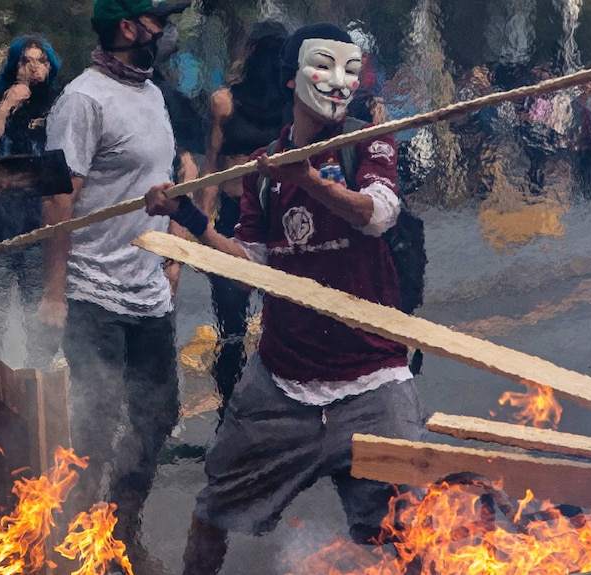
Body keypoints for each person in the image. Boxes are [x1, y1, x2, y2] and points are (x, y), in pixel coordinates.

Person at [145, 23, 426, 575]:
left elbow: (377, 215)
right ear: (292, 77)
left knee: (410, 532)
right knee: (214, 508)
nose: (340, 82)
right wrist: (188, 218)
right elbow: (251, 266)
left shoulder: (370, 141)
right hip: (282, 382)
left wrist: (315, 182)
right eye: (324, 66)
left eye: (351, 68)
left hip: (375, 382)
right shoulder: (265, 170)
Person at [38, 1, 188, 572]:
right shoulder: (82, 100)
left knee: (157, 416)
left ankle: (122, 534)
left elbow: (164, 178)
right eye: (155, 20)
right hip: (91, 290)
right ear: (128, 28)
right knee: (94, 425)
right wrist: (53, 295)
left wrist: (172, 252)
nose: (163, 31)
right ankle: (79, 547)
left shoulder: (152, 94)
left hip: (147, 290)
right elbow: (58, 201)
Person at [198, 19, 288, 421]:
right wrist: (202, 223)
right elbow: (212, 166)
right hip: (235, 218)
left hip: (283, 218)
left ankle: (281, 409)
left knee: (283, 319)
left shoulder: (297, 103)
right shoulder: (225, 102)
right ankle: (230, 413)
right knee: (231, 324)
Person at [0, 34, 61, 369]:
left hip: (40, 232)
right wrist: (6, 107)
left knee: (41, 321)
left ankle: (39, 388)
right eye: (26, 60)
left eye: (41, 60)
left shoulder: (60, 106)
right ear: (14, 66)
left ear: (50, 67)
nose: (34, 67)